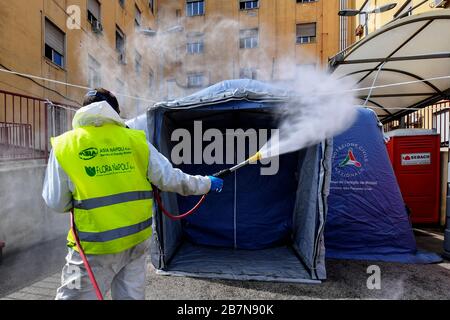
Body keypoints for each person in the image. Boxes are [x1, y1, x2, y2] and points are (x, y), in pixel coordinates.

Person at [42, 88, 223, 300]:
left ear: (83, 110)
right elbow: (172, 178)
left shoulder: (66, 145)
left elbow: (56, 202)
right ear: (116, 111)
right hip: (136, 243)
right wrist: (206, 184)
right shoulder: (136, 141)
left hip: (93, 249)